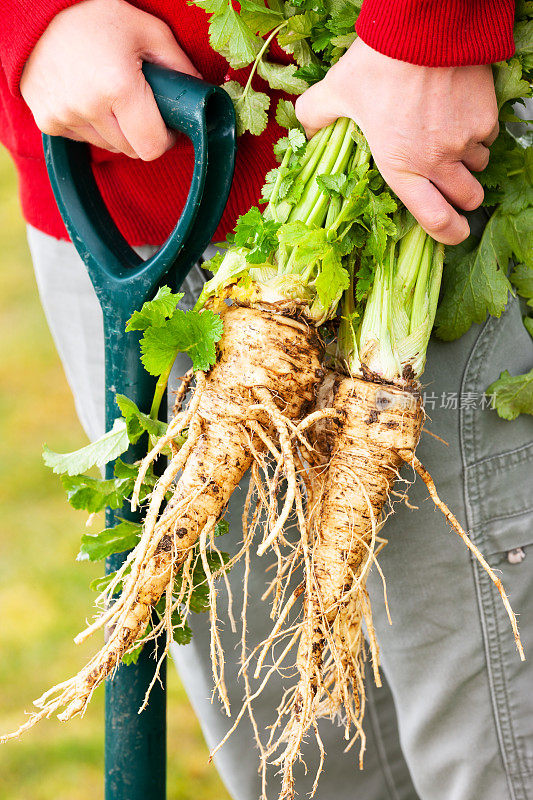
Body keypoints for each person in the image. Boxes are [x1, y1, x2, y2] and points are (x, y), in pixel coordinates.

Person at [1, 1, 531, 799]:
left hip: (420, 145)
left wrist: (429, 36)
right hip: (100, 170)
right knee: (291, 759)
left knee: (490, 748)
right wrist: (30, 23)